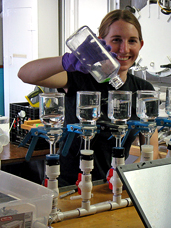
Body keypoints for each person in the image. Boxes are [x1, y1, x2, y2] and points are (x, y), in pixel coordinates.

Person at [18, 9, 159, 186]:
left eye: (132, 41)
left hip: (113, 187)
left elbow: (152, 151)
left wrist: (126, 180)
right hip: (69, 186)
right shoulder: (81, 76)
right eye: (116, 40)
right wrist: (66, 61)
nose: (125, 49)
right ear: (101, 43)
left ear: (141, 45)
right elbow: (25, 74)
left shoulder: (144, 90)